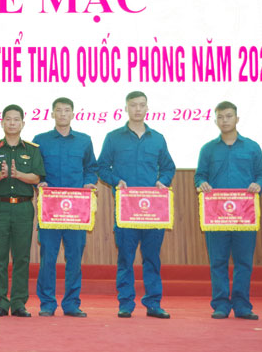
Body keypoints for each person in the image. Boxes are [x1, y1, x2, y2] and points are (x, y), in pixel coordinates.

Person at [97, 91, 175, 319]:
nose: (138, 109)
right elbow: (102, 167)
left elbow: (168, 167)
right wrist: (116, 181)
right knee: (125, 258)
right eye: (133, 105)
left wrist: (163, 181)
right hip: (126, 210)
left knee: (152, 258)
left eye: (142, 105)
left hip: (153, 211)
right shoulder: (113, 138)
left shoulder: (157, 138)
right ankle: (125, 303)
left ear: (147, 108)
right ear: (126, 108)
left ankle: (153, 303)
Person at [195, 101, 262, 320]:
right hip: (216, 216)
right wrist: (201, 184)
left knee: (243, 262)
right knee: (217, 261)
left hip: (244, 216)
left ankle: (242, 305)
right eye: (220, 117)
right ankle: (220, 305)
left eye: (228, 116)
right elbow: (200, 176)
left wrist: (258, 184)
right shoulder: (208, 149)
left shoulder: (252, 147)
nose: (224, 120)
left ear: (237, 119)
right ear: (215, 120)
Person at [32, 97, 97, 318]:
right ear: (52, 114)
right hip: (50, 210)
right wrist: (39, 182)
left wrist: (89, 182)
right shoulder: (40, 141)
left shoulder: (84, 141)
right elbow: (35, 170)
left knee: (74, 259)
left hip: (76, 211)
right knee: (48, 258)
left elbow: (91, 168)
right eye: (58, 110)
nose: (62, 114)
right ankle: (47, 303)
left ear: (73, 114)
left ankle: (71, 304)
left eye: (66, 110)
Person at [0, 104, 44, 318]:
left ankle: (18, 303)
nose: (12, 123)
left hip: (23, 208)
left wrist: (18, 175)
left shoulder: (32, 150)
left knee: (21, 257)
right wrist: (0, 175)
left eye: (16, 119)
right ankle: (0, 303)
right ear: (2, 122)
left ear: (23, 123)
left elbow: (37, 177)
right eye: (8, 119)